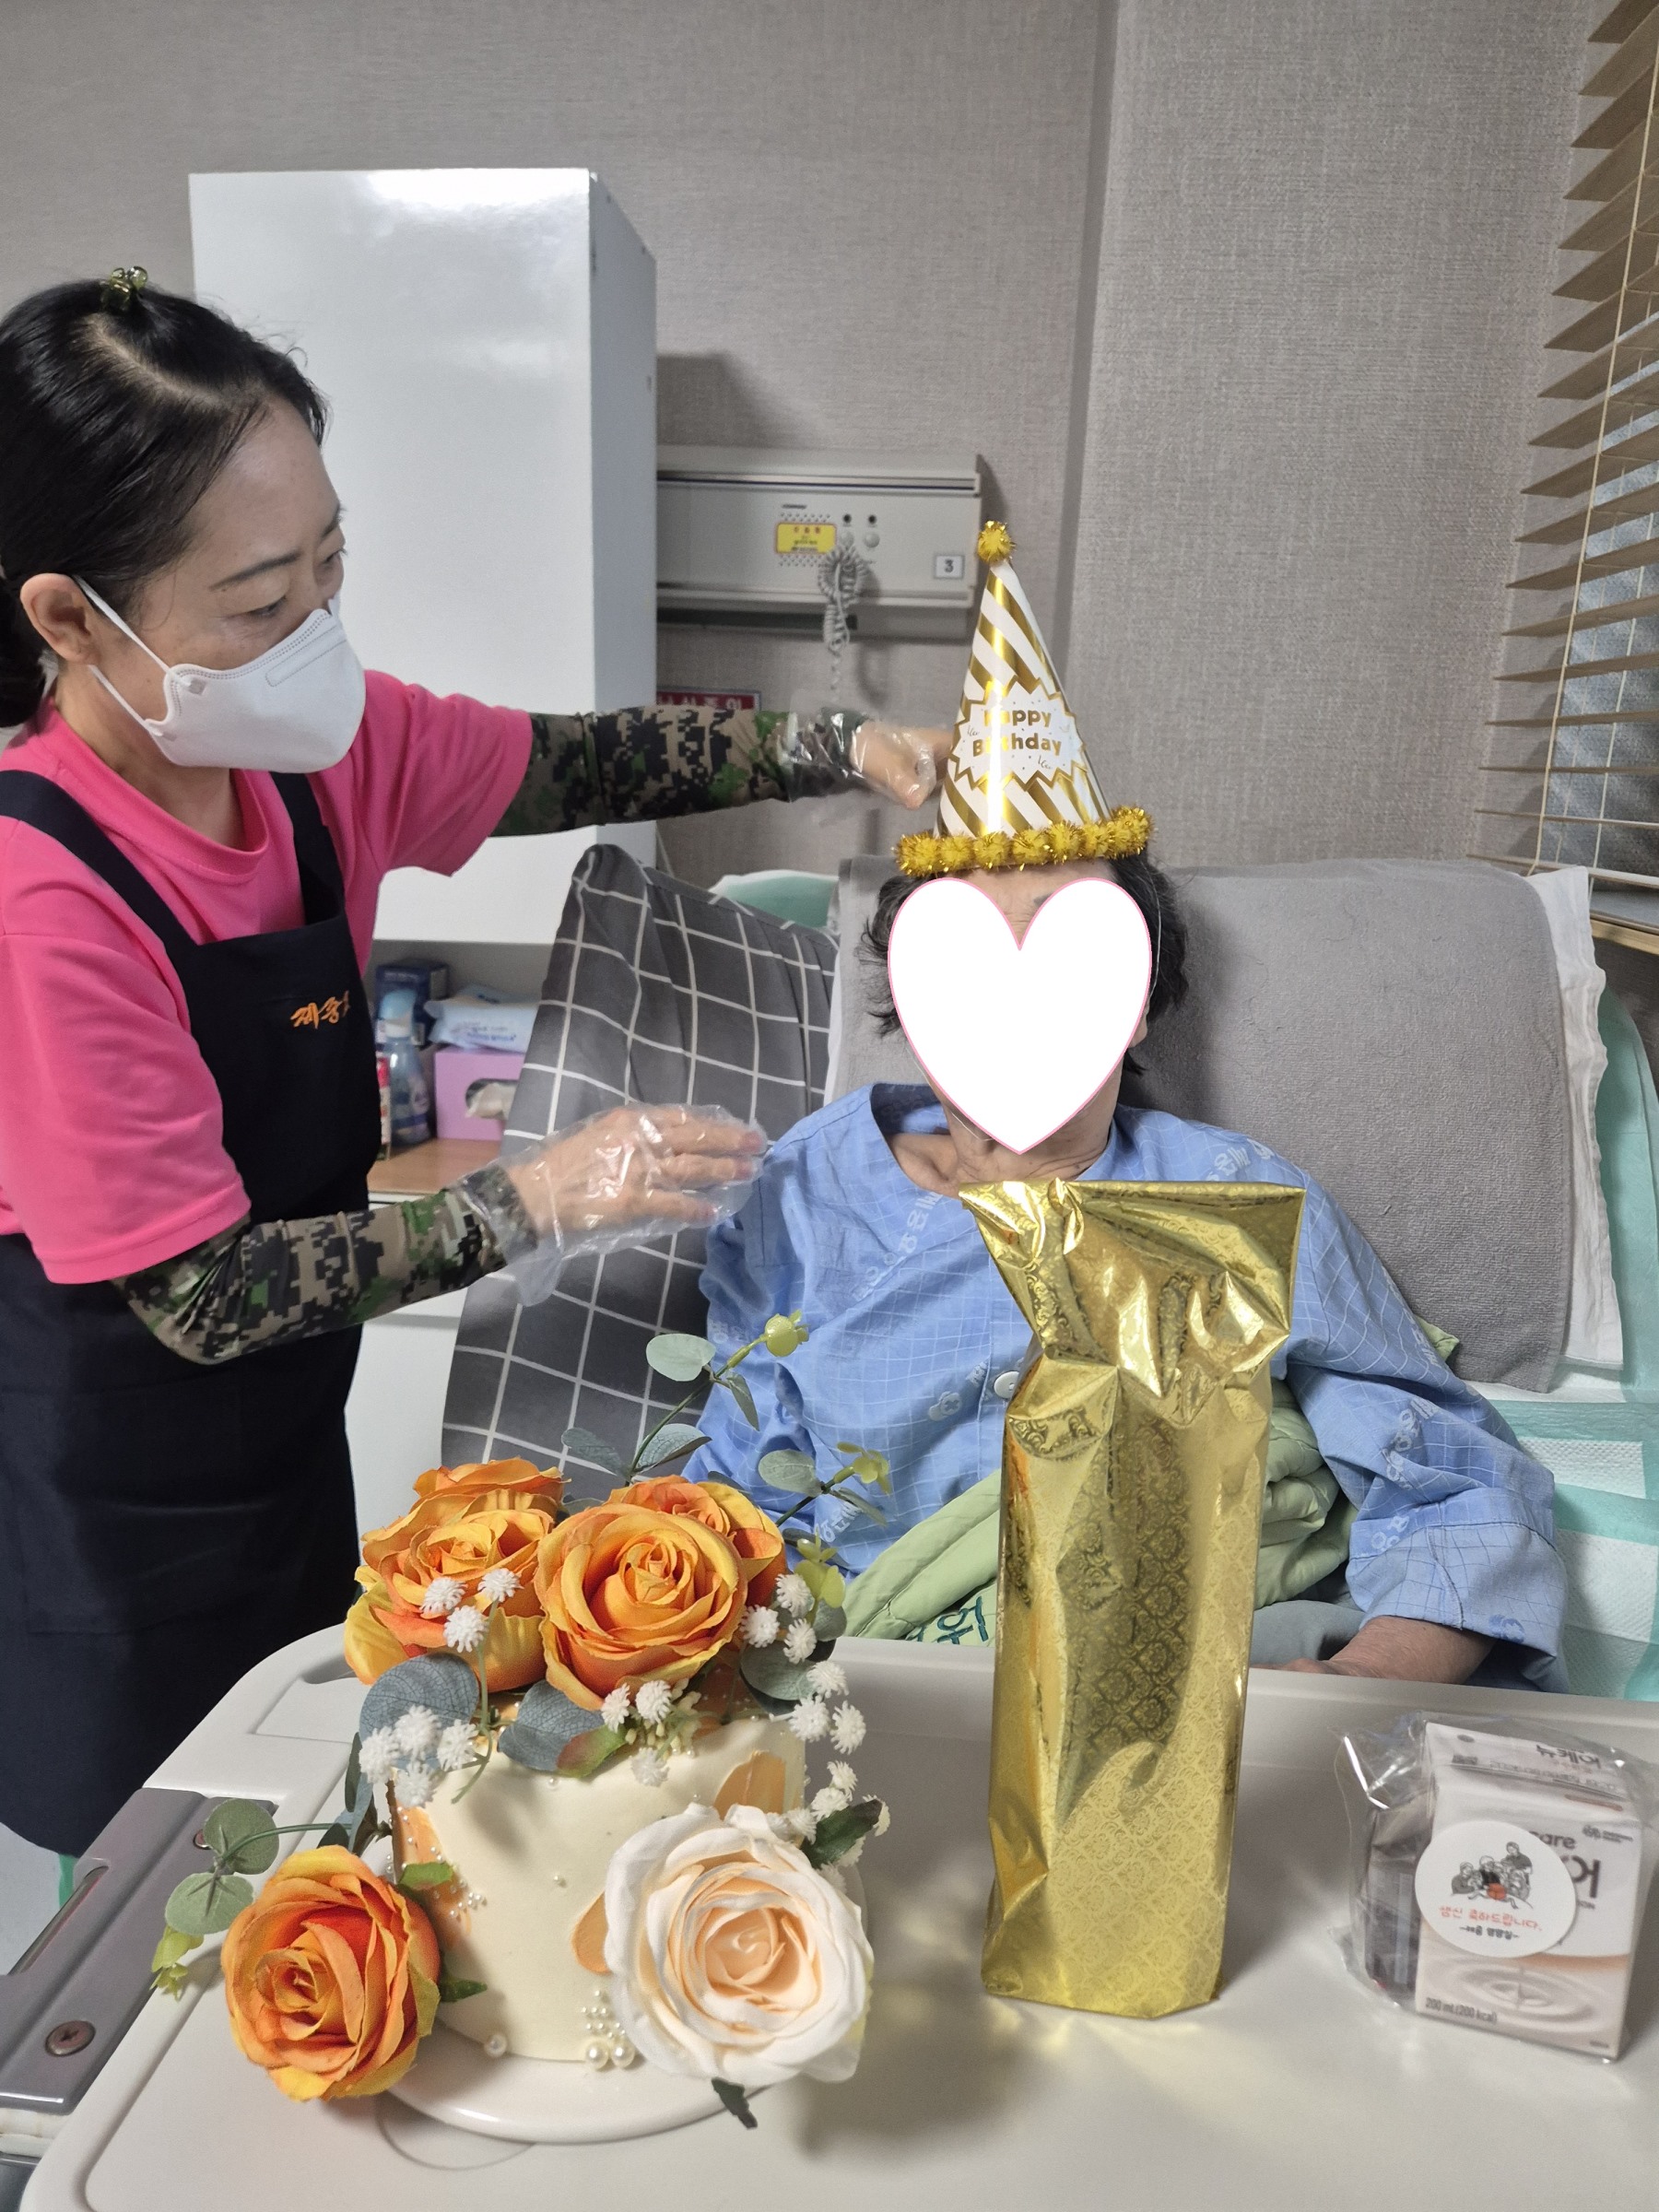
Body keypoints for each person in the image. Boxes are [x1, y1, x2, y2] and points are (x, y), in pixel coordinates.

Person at [0, 268, 949, 1857]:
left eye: (330, 569)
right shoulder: (44, 903)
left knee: (308, 1796)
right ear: (69, 617)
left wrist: (831, 745)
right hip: (115, 1488)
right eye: (257, 606)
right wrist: (537, 1199)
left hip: (279, 1446)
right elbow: (204, 1294)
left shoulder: (310, 759)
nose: (313, 637)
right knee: (150, 1864)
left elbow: (575, 762)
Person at [684, 526, 1567, 1692]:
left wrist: (1354, 1689)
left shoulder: (1235, 1197)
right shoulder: (808, 1185)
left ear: (1137, 1000)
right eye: (972, 954)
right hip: (867, 1691)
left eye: (1068, 949)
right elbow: (730, 1492)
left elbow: (1449, 1473)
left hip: (1176, 1694)